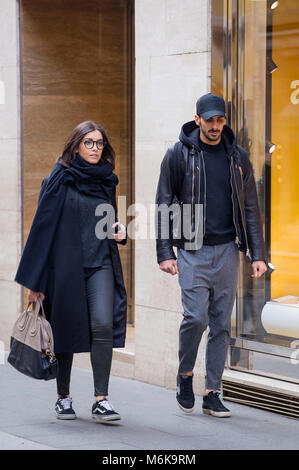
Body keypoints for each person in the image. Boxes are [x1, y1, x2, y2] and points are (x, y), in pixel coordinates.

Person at [155, 93, 267, 418]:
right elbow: (163, 204)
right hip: (191, 249)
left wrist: (256, 253)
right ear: (197, 119)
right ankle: (185, 374)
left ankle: (212, 392)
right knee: (196, 318)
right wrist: (165, 252)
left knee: (221, 324)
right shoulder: (179, 155)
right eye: (210, 120)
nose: (215, 126)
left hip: (228, 250)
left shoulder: (237, 157)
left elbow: (249, 207)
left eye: (220, 120)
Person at [15, 120, 127, 423]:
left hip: (100, 262)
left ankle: (101, 399)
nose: (95, 148)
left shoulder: (107, 180)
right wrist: (34, 281)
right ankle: (63, 397)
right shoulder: (59, 178)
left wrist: (121, 232)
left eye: (99, 143)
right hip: (65, 267)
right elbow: (41, 229)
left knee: (103, 325)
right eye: (88, 142)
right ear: (76, 145)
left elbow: (110, 222)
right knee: (65, 329)